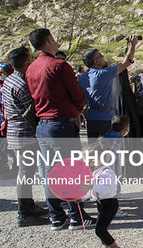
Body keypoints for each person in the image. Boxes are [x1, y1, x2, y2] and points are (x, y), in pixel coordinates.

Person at [25, 28, 93, 231]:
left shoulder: (31, 68)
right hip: (62, 123)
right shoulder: (59, 66)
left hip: (42, 124)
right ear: (49, 40)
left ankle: (56, 216)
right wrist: (80, 107)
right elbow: (77, 95)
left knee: (48, 172)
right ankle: (76, 215)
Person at [2, 47, 49, 226]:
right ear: (26, 63)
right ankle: (24, 212)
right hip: (25, 135)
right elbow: (31, 111)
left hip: (15, 134)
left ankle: (28, 205)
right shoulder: (22, 84)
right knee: (26, 173)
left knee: (26, 171)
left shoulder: (9, 80)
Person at [78, 37, 138, 139]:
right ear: (96, 61)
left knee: (94, 150)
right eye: (100, 55)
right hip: (106, 117)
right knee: (109, 150)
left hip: (91, 117)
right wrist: (132, 45)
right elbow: (126, 62)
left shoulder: (82, 78)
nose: (103, 57)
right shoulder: (102, 74)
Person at [80, 139, 124, 248]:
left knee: (100, 229)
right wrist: (81, 198)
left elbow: (106, 189)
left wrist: (91, 186)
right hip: (101, 204)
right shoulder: (95, 172)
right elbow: (91, 191)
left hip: (109, 204)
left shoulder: (107, 172)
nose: (88, 163)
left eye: (90, 160)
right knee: (101, 227)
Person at [0, 61, 15, 178]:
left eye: (2, 73)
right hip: (2, 122)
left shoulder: (10, 85)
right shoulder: (0, 87)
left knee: (9, 147)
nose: (0, 75)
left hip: (10, 122)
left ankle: (16, 168)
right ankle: (3, 166)